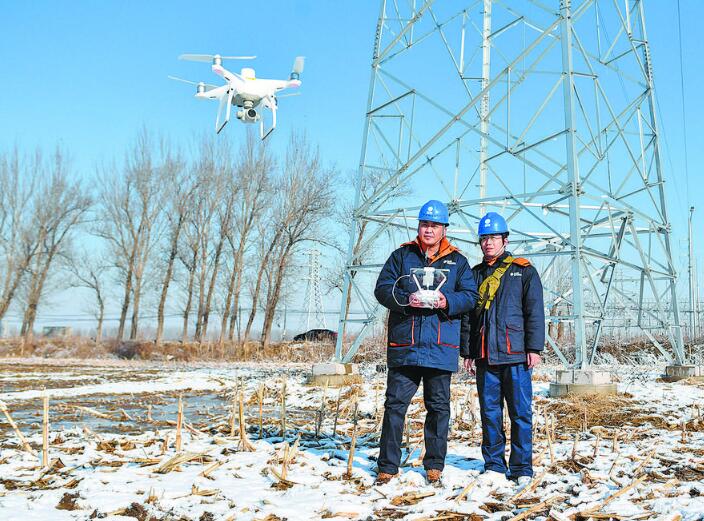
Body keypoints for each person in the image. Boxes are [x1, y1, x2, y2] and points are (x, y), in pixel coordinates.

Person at [374, 200, 478, 485]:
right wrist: (405, 300)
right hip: (405, 346)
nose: (428, 229)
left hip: (440, 348)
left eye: (434, 225)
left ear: (444, 229)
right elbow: (382, 289)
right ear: (418, 227)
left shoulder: (458, 262)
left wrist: (447, 301)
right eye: (424, 224)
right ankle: (387, 467)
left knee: (439, 408)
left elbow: (471, 296)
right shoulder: (401, 256)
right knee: (395, 406)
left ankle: (434, 465)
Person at [460, 212, 544, 488]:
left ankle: (522, 467)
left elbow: (535, 312)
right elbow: (468, 318)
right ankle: (494, 465)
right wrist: (468, 352)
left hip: (516, 354)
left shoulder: (523, 271)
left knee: (520, 413)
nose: (488, 243)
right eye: (484, 239)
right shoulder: (474, 274)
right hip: (485, 355)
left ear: (505, 240)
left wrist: (534, 347)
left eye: (493, 238)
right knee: (490, 413)